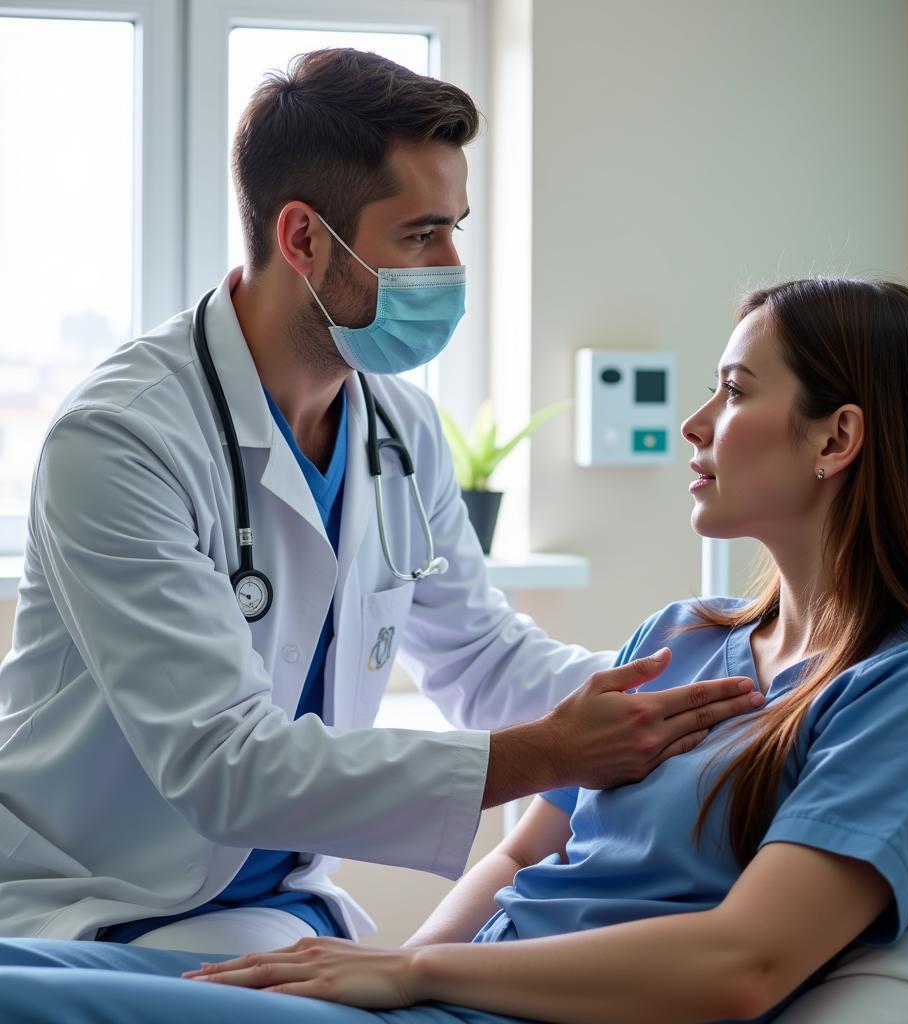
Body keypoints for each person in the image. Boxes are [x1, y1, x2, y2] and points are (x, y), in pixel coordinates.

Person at [0, 276, 908, 1024]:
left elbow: (742, 962)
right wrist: (391, 982)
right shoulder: (683, 637)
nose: (696, 423)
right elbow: (525, 850)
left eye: (736, 391)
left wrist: (415, 976)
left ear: (835, 439)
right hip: (447, 994)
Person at [0, 49, 753, 953]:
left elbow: (478, 658)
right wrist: (555, 752)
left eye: (456, 230)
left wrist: (695, 692)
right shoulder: (121, 439)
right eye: (420, 236)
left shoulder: (400, 428)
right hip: (88, 908)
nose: (451, 267)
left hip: (271, 911)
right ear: (304, 238)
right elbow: (222, 763)